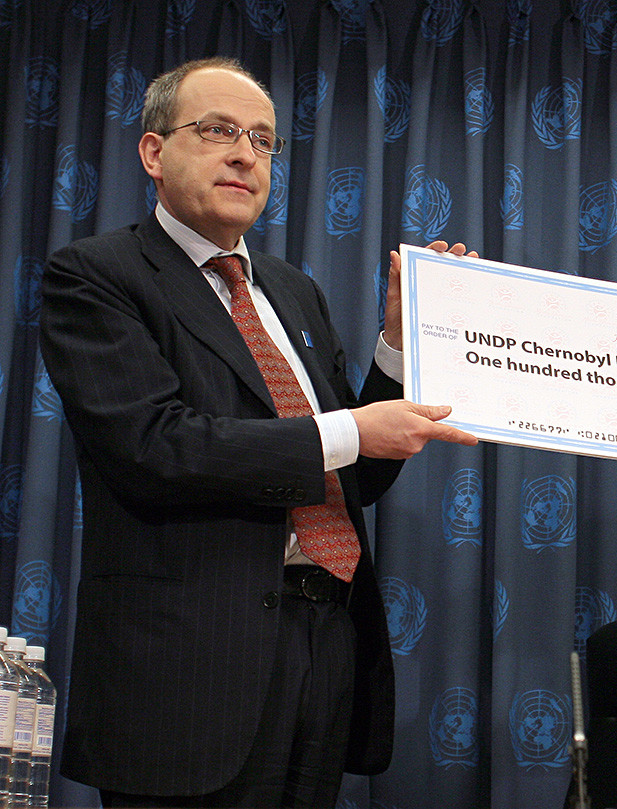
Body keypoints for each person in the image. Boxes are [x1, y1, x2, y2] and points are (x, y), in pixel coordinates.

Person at [39, 56, 478, 808]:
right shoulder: (96, 276)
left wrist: (399, 346)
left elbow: (352, 474)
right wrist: (346, 431)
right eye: (218, 131)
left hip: (324, 649)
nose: (247, 153)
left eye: (265, 140)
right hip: (189, 669)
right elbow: (155, 445)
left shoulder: (293, 292)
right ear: (154, 152)